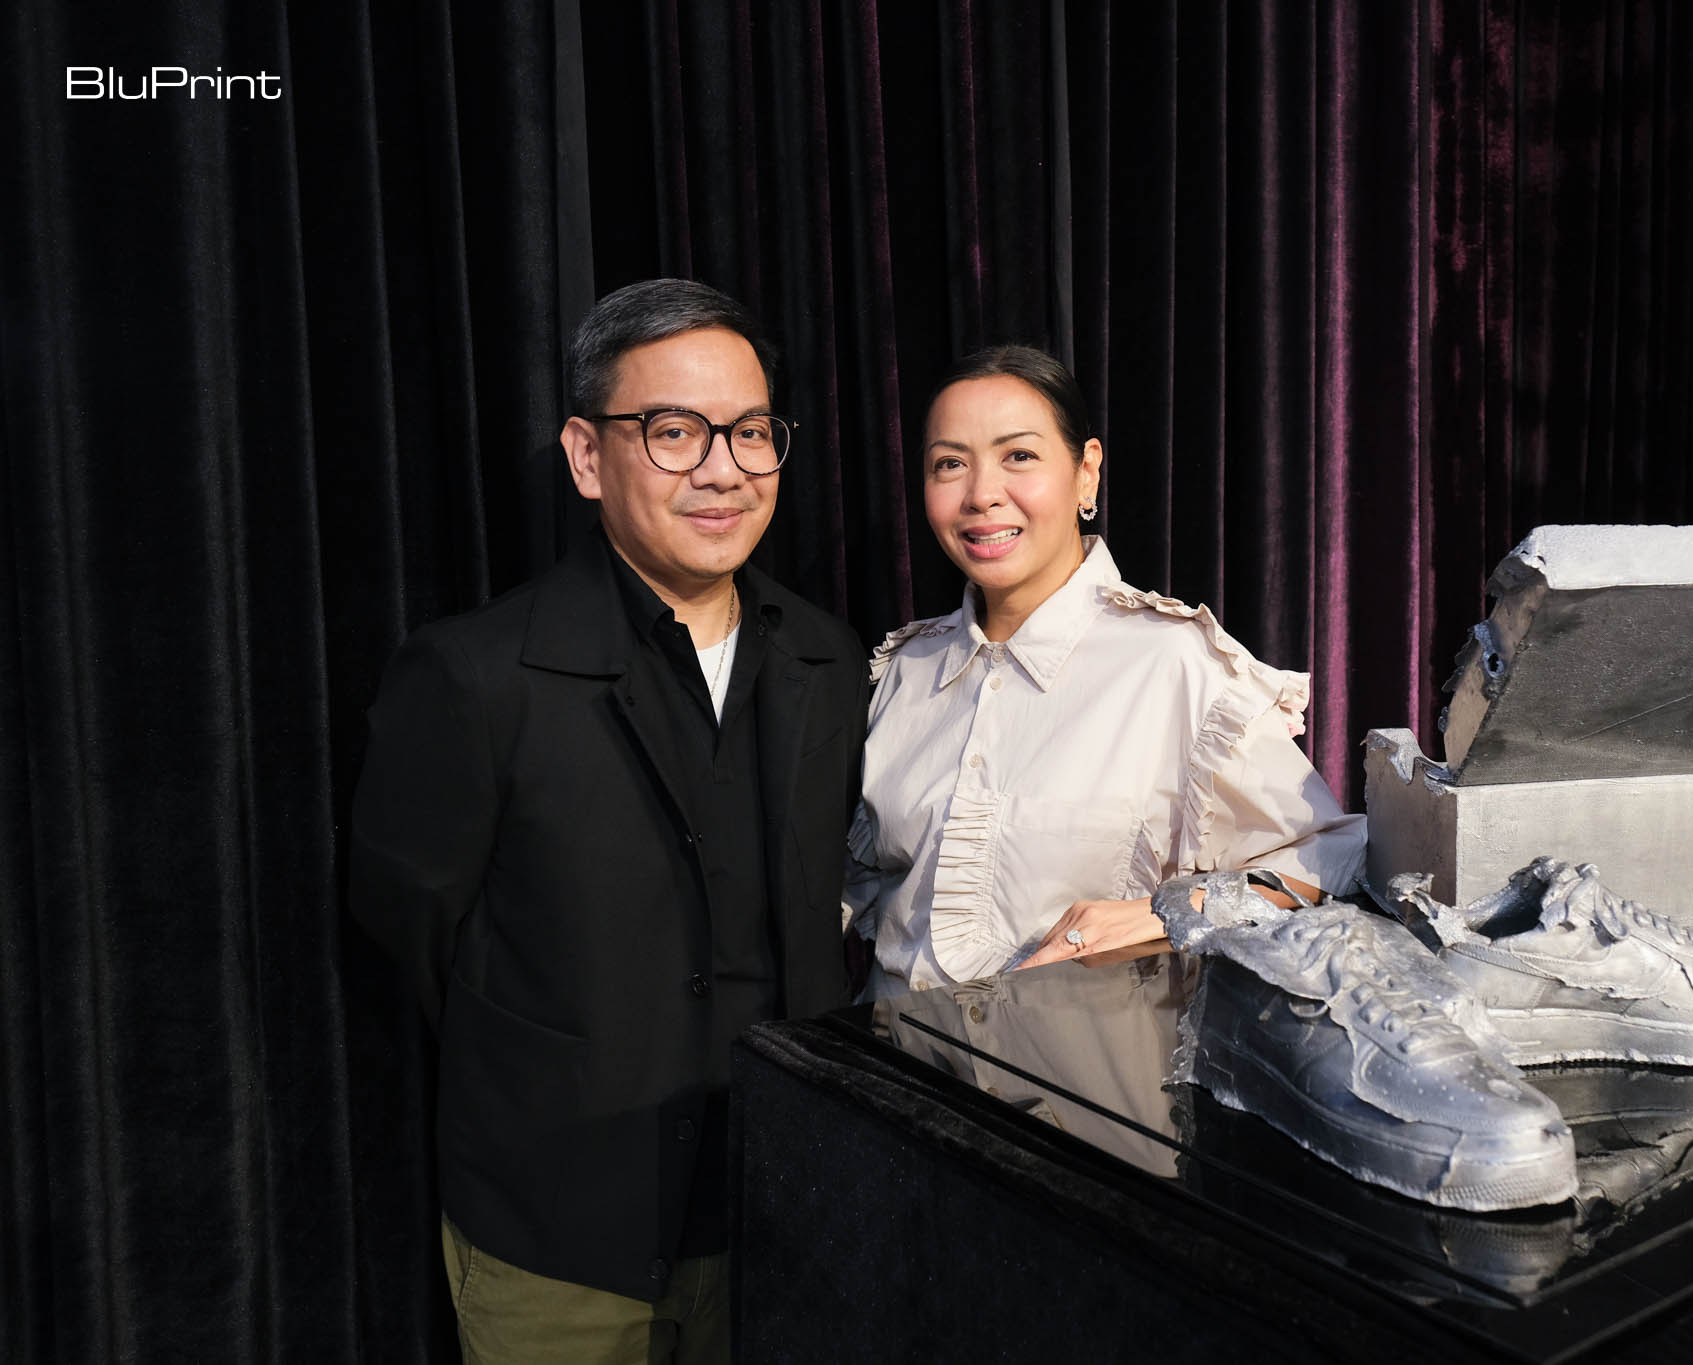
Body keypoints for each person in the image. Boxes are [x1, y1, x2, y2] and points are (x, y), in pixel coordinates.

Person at [349, 279, 865, 1363]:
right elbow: (414, 927)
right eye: (674, 431)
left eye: (751, 431)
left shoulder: (827, 658)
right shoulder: (474, 674)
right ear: (587, 457)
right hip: (558, 1229)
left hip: (784, 1218)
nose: (722, 468)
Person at [844, 345, 1365, 998]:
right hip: (883, 1052)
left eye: (1018, 456)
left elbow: (1329, 858)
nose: (981, 494)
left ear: (1086, 472)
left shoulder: (1173, 662)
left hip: (1082, 1058)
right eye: (950, 464)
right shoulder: (903, 670)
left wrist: (1162, 914)